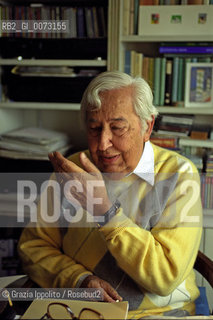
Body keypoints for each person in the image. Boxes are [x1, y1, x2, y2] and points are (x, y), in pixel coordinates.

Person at [18, 71, 202, 318]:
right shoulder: (72, 170)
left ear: (147, 127)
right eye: (94, 128)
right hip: (80, 310)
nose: (103, 143)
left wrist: (106, 212)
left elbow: (165, 276)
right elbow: (32, 247)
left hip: (160, 314)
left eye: (117, 128)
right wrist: (79, 280)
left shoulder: (179, 175)